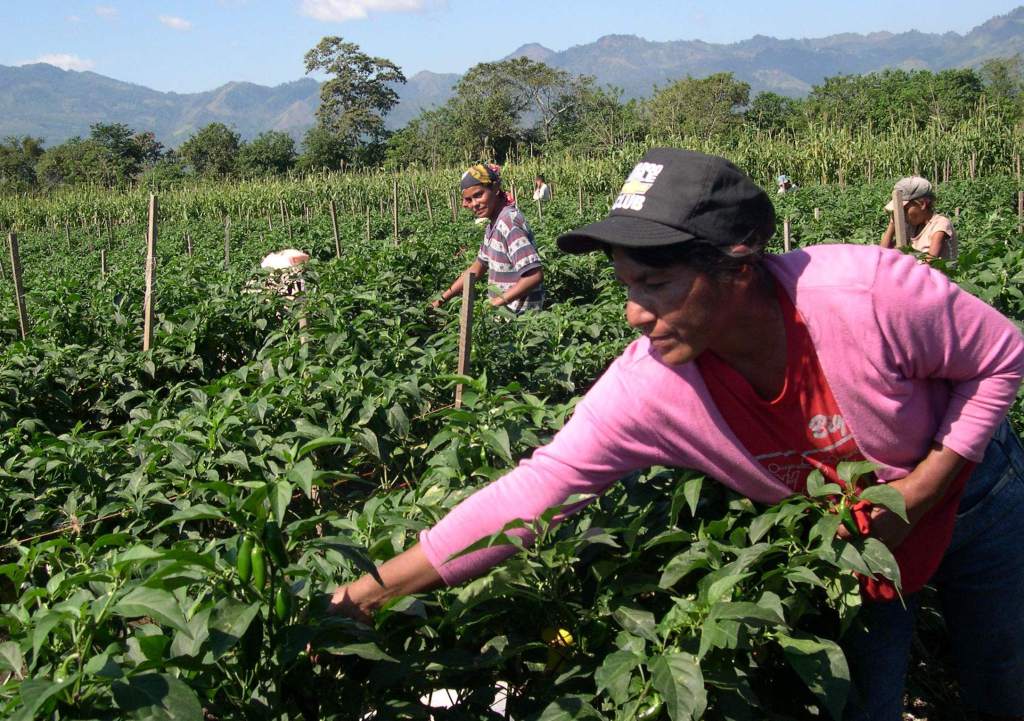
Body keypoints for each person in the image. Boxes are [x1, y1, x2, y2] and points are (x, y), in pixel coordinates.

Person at [332, 149, 1024, 720]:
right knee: (865, 699)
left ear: (739, 267)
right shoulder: (654, 386)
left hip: (974, 493)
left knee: (1001, 670)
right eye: (626, 284)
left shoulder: (867, 292)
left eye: (657, 282)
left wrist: (926, 486)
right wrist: (371, 591)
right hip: (854, 542)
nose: (635, 311)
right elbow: (537, 490)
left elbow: (1000, 355)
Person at [432, 163, 544, 313]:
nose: (474, 204)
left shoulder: (508, 222)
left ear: (495, 188)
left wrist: (494, 304)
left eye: (479, 195)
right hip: (506, 314)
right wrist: (442, 299)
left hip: (521, 319)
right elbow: (477, 268)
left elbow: (534, 275)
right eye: (469, 199)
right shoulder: (494, 224)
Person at [880, 176, 957, 261]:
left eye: (905, 209)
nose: (902, 214)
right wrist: (893, 222)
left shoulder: (940, 224)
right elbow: (883, 253)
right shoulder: (911, 226)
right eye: (899, 211)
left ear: (922, 204)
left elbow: (930, 261)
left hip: (936, 273)